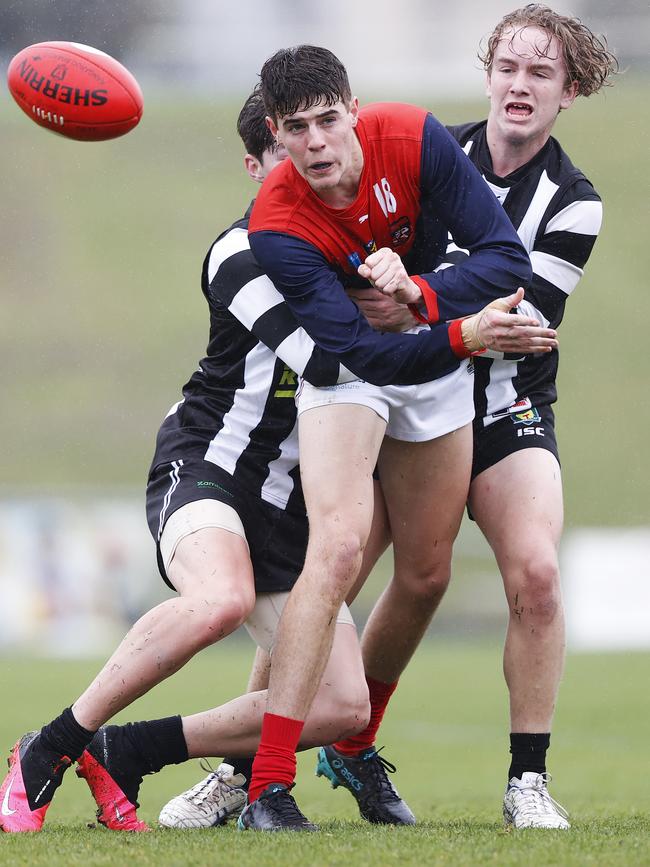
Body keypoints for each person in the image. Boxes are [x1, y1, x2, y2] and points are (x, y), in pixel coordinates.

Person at [0, 88, 547, 835]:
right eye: (281, 151)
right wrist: (459, 331)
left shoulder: (339, 242)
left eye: (316, 138)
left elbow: (431, 282)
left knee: (343, 706)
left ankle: (121, 749)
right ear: (257, 160)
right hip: (209, 469)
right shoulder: (245, 252)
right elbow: (335, 361)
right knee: (219, 598)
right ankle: (50, 748)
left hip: (282, 509)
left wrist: (428, 292)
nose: (297, 168)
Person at [234, 45, 561, 832]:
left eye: (326, 121)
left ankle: (353, 745)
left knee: (426, 574)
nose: (315, 144)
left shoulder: (412, 136)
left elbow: (504, 258)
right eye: (296, 130)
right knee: (338, 551)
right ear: (275, 135)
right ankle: (261, 783)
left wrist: (421, 292)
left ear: (352, 107)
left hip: (432, 338)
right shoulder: (275, 219)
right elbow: (352, 349)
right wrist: (459, 333)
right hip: (355, 369)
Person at [316, 4, 617, 831]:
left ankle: (526, 780)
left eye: (542, 74)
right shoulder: (422, 154)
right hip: (408, 399)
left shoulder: (574, 202)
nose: (520, 86)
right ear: (488, 74)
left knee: (538, 575)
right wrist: (439, 307)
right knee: (327, 571)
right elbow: (369, 280)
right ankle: (243, 772)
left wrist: (417, 296)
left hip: (506, 403)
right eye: (509, 68)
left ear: (570, 91)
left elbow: (521, 317)